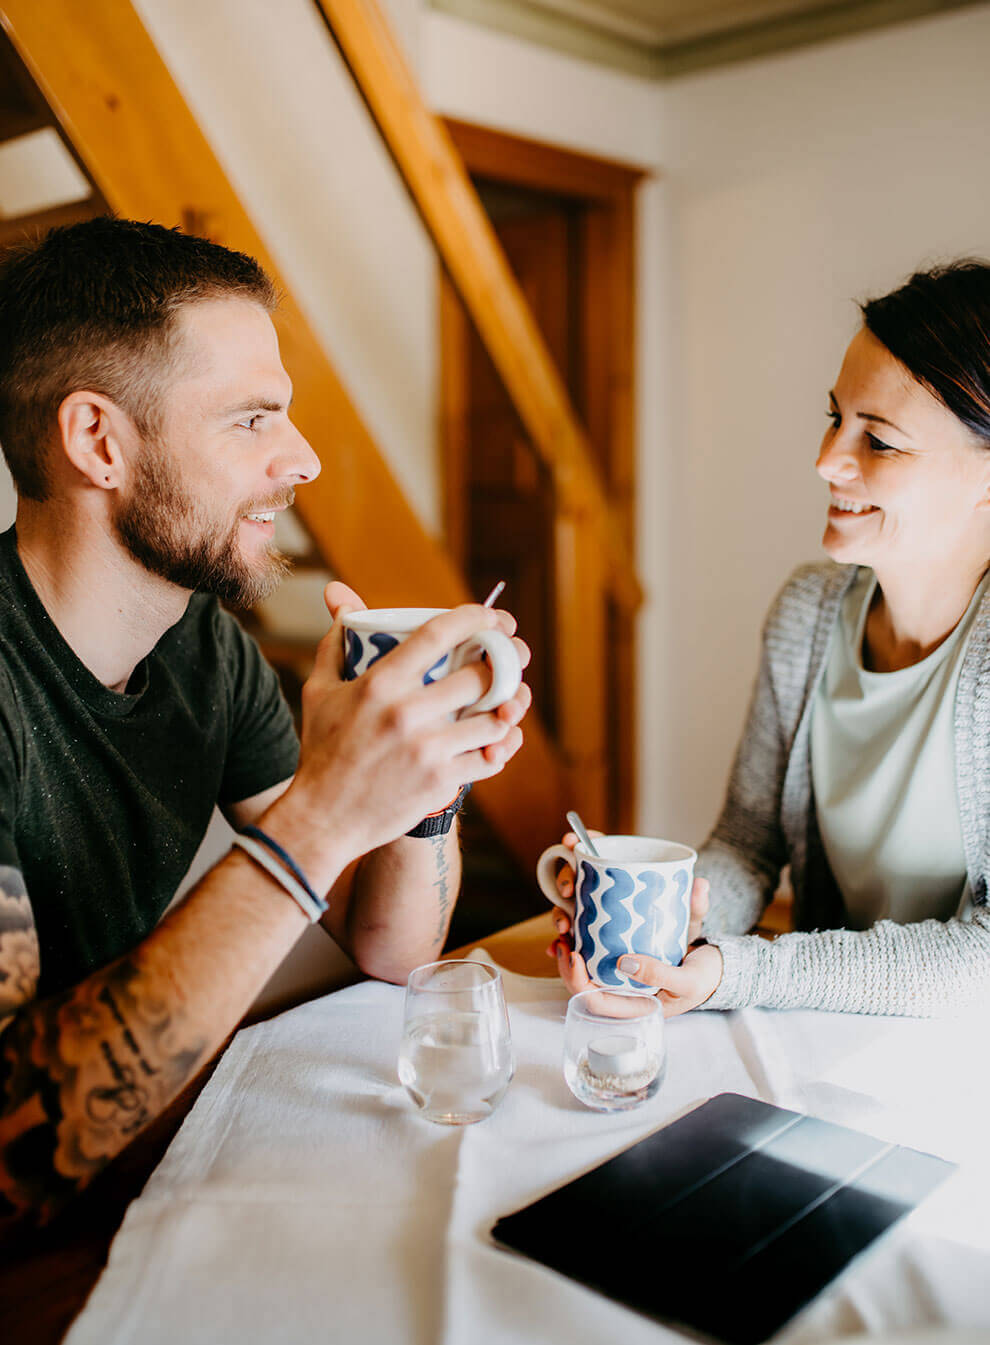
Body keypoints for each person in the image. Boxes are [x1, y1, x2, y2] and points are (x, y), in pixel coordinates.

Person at [0, 218, 531, 1231]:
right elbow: (13, 1147)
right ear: (98, 441)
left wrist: (422, 779)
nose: (304, 459)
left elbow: (387, 949)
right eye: (252, 420)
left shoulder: (209, 649)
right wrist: (325, 811)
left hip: (131, 1177)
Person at [552, 259, 990, 1019]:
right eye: (834, 417)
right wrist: (675, 927)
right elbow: (749, 843)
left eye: (878, 441)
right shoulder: (808, 612)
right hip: (821, 1046)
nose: (827, 460)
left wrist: (739, 973)